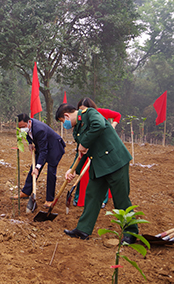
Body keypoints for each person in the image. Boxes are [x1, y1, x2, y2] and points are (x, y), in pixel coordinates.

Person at [55, 103, 138, 242]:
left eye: (63, 122)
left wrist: (85, 143)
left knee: (121, 199)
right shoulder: (77, 130)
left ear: (67, 115)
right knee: (92, 196)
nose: (65, 125)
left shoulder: (90, 114)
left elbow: (99, 125)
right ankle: (83, 230)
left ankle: (131, 233)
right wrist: (72, 169)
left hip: (115, 162)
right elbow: (81, 153)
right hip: (99, 165)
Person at [74, 97, 121, 208]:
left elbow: (117, 115)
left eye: (85, 109)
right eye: (81, 110)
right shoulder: (80, 119)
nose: (83, 112)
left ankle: (102, 200)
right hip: (87, 147)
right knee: (82, 172)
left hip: (102, 148)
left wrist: (112, 125)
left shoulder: (100, 113)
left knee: (101, 172)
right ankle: (79, 197)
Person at [13, 113, 66, 208]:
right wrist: (30, 143)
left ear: (29, 122)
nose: (22, 129)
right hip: (43, 146)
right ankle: (26, 192)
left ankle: (49, 199)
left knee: (50, 172)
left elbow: (44, 151)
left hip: (54, 147)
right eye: (20, 127)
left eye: (23, 126)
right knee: (33, 169)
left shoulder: (39, 129)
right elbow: (28, 134)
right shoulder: (27, 127)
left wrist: (38, 167)